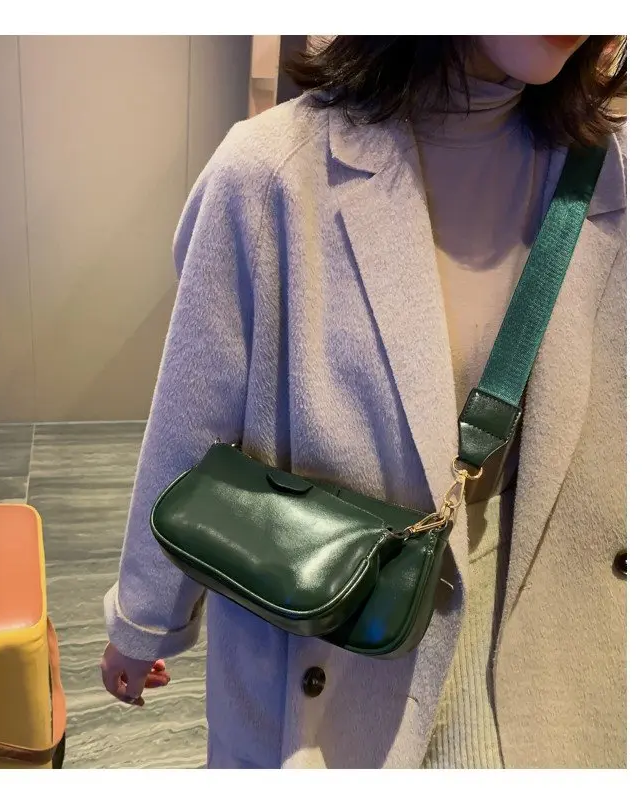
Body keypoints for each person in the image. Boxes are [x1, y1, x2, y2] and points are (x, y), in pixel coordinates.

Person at [101, 36, 626, 768]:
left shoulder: (611, 172)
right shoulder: (271, 171)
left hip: (559, 668)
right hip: (337, 645)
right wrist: (144, 621)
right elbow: (191, 419)